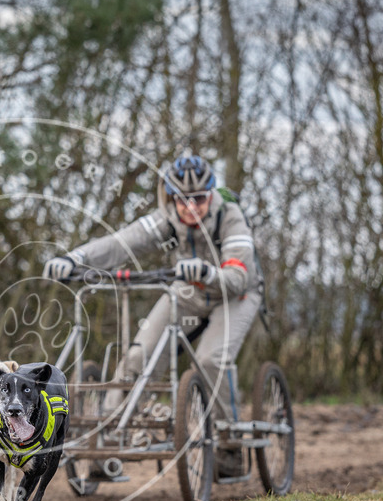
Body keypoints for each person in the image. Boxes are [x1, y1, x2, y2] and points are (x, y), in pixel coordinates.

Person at [42, 153, 263, 476]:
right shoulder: (166, 220)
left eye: (199, 199)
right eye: (182, 199)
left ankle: (229, 448)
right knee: (137, 356)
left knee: (210, 360)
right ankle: (107, 443)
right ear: (170, 198)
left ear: (211, 194)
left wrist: (208, 272)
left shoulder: (230, 217)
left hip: (235, 295)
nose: (191, 207)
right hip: (188, 292)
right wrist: (74, 258)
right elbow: (120, 243)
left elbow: (239, 276)